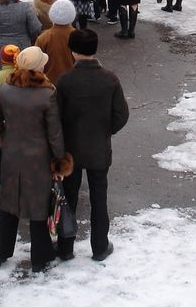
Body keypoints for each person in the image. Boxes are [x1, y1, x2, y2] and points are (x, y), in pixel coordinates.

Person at [0, 45, 73, 273]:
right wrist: (59, 161)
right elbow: (54, 133)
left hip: (12, 157)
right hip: (38, 160)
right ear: (38, 67)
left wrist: (7, 138)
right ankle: (39, 259)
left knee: (9, 205)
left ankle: (0, 253)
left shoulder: (5, 89)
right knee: (38, 208)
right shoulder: (47, 94)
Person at [55, 28, 129, 262]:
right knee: (99, 197)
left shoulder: (65, 81)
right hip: (99, 148)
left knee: (69, 197)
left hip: (71, 150)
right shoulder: (110, 79)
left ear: (74, 52)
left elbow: (56, 116)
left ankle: (66, 246)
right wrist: (105, 131)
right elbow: (121, 114)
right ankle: (99, 246)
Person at [36, 0, 76, 85]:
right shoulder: (78, 36)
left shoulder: (43, 38)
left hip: (49, 83)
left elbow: (37, 64)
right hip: (73, 83)